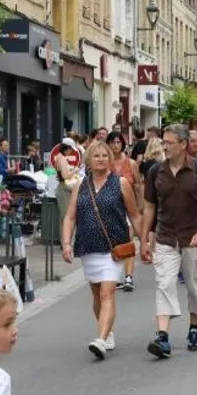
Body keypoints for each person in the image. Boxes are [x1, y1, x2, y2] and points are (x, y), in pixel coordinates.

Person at [140, 124, 197, 358]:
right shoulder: (156, 171)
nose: (164, 146)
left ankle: (194, 329)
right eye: (164, 142)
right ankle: (162, 336)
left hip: (194, 237)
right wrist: (145, 239)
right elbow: (149, 207)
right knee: (164, 283)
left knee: (195, 287)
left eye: (169, 142)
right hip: (166, 236)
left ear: (183, 145)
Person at [62, 141, 142, 358]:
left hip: (113, 247)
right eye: (96, 155)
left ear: (110, 159)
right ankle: (108, 332)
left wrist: (144, 241)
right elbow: (70, 217)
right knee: (97, 294)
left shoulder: (121, 183)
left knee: (108, 292)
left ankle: (100, 338)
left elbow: (135, 215)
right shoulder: (81, 185)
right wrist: (67, 243)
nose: (100, 159)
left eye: (104, 156)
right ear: (88, 159)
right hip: (88, 247)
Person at [106, 131, 142, 292]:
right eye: (112, 142)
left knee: (127, 240)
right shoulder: (104, 163)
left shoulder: (131, 163)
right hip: (109, 208)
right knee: (111, 242)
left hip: (128, 207)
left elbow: (138, 185)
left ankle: (128, 276)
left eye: (118, 142)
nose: (115, 145)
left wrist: (139, 206)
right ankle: (115, 274)